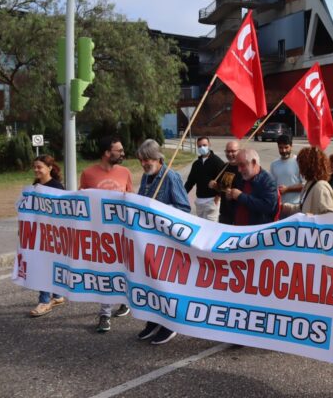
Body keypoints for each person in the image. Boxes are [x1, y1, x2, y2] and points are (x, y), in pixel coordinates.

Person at [134, 139, 191, 345]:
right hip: (148, 241)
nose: (144, 163)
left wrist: (161, 213)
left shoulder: (170, 177)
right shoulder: (146, 177)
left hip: (166, 242)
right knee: (150, 283)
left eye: (147, 159)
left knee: (165, 284)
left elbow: (184, 208)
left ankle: (169, 324)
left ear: (158, 158)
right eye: (141, 160)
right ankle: (153, 320)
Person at [79, 135, 133, 332]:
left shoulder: (125, 172)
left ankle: (123, 300)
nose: (123, 153)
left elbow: (131, 200)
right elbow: (81, 203)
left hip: (121, 234)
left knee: (122, 270)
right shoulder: (88, 173)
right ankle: (105, 314)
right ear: (107, 153)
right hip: (100, 235)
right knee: (105, 273)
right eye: (119, 150)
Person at [28, 155, 66, 317]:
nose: (36, 170)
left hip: (53, 234)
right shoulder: (35, 185)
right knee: (46, 265)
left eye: (40, 167)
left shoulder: (57, 187)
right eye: (35, 167)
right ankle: (56, 296)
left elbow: (65, 210)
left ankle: (44, 301)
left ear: (49, 168)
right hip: (39, 232)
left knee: (44, 267)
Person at [228, 148, 279, 226]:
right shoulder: (242, 178)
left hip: (256, 231)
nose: (239, 170)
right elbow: (238, 206)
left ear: (253, 163)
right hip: (240, 229)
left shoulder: (268, 181)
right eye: (237, 165)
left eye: (242, 165)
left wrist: (241, 196)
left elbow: (268, 207)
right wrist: (231, 198)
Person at [280, 147, 333, 216]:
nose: (299, 167)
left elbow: (331, 216)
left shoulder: (321, 187)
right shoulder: (310, 184)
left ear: (308, 166)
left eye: (301, 164)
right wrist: (283, 207)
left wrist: (313, 217)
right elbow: (303, 208)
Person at [184, 136, 225, 222]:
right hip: (199, 202)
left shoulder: (217, 162)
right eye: (199, 146)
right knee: (201, 226)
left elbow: (224, 184)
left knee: (211, 228)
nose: (202, 147)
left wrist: (218, 195)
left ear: (209, 145)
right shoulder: (196, 164)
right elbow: (190, 182)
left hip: (212, 201)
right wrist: (181, 194)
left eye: (204, 145)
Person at [209, 140, 241, 224]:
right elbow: (221, 189)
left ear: (239, 151)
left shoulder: (243, 169)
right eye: (227, 151)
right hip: (224, 213)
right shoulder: (224, 166)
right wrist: (215, 186)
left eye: (233, 151)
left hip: (239, 214)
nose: (230, 154)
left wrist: (235, 194)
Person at [270, 134, 304, 206]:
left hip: (296, 206)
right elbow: (271, 186)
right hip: (279, 206)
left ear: (291, 146)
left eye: (286, 147)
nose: (284, 150)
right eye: (281, 148)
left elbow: (305, 185)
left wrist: (287, 189)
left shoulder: (299, 162)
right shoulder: (274, 164)